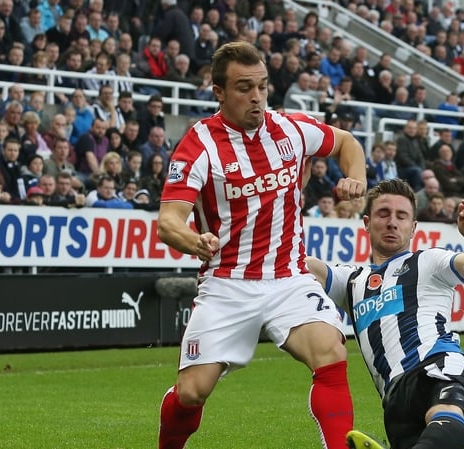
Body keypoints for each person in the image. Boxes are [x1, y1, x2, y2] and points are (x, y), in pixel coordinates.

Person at [156, 41, 366, 449]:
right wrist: (193, 240)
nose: (256, 97)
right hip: (227, 282)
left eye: (263, 87)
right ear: (219, 92)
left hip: (288, 276)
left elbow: (346, 143)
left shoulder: (289, 129)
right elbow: (168, 221)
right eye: (243, 88)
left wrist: (354, 176)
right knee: (191, 393)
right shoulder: (200, 144)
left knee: (330, 350)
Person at [305, 178, 464, 449]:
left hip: (438, 365)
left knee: (448, 413)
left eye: (401, 216)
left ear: (413, 227)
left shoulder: (428, 261)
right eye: (383, 214)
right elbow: (302, 265)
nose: (392, 222)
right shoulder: (352, 281)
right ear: (366, 223)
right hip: (395, 400)